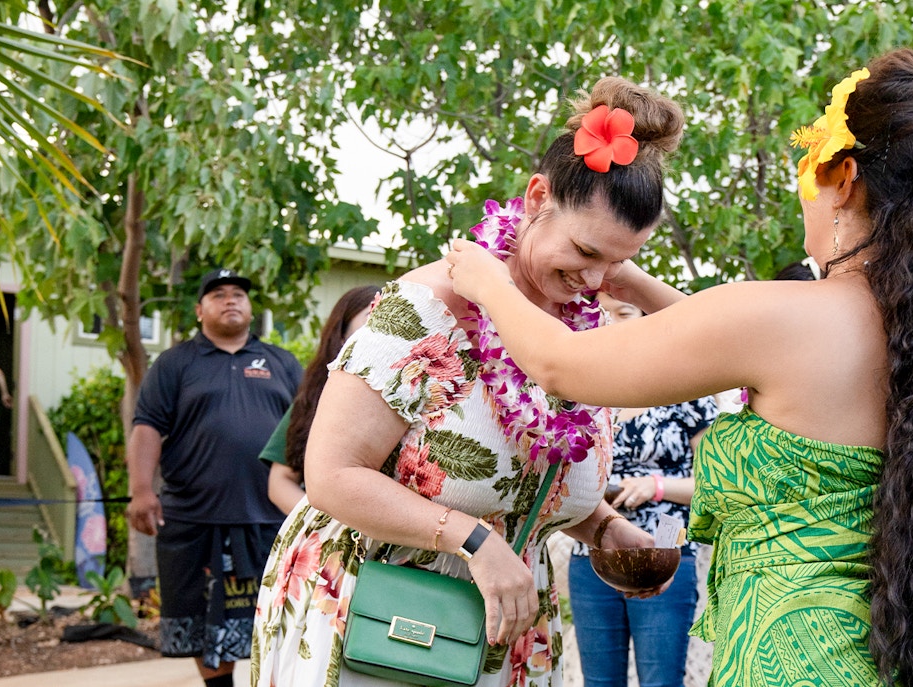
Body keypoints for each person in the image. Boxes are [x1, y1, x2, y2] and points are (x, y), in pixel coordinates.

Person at [446, 48, 913, 687]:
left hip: (792, 659)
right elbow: (734, 344)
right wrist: (635, 283)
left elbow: (561, 366)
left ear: (842, 179)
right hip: (883, 652)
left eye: (809, 163)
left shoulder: (791, 317)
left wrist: (486, 279)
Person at [251, 76, 686, 687]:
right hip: (377, 615)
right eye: (585, 251)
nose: (595, 279)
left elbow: (528, 479)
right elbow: (330, 475)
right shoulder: (426, 311)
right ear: (538, 198)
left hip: (506, 625)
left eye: (618, 261)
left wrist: (603, 527)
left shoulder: (582, 329)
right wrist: (475, 542)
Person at [126, 268, 303, 687]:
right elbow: (147, 425)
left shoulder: (282, 363)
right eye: (219, 294)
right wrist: (140, 491)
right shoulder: (174, 363)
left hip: (270, 520)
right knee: (207, 627)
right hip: (195, 519)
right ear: (199, 309)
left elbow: (309, 428)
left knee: (278, 623)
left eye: (239, 293)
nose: (231, 300)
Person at [568, 292, 717, 687]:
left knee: (660, 680)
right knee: (599, 682)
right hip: (592, 553)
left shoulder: (686, 389)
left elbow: (713, 484)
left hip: (665, 552)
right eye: (602, 313)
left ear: (647, 318)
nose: (611, 321)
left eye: (624, 312)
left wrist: (655, 486)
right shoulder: (581, 390)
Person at [257, 284, 381, 514]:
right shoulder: (316, 397)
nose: (385, 327)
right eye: (374, 315)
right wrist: (328, 527)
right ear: (342, 335)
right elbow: (280, 481)